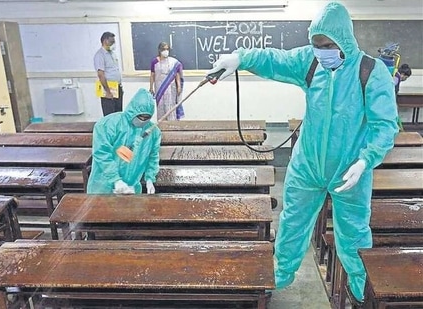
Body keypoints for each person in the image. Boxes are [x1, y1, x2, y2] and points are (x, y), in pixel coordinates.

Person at [208, 2, 398, 305]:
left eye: (327, 45)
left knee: (354, 235)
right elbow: (276, 59)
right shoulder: (312, 63)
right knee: (292, 223)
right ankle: (279, 277)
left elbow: (385, 125)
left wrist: (366, 160)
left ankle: (362, 291)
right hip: (307, 166)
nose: (321, 50)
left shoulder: (370, 72)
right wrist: (240, 58)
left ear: (344, 40)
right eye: (316, 44)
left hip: (349, 170)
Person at [87, 88, 161, 195]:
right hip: (103, 186)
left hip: (131, 186)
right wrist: (115, 180)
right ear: (133, 111)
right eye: (140, 117)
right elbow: (102, 153)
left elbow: (153, 157)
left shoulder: (153, 132)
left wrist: (150, 178)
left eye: (147, 118)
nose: (143, 120)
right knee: (100, 210)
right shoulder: (109, 124)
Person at [149, 42, 184, 120]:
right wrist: (151, 87)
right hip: (159, 87)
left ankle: (172, 123)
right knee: (161, 106)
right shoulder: (154, 62)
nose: (166, 51)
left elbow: (176, 74)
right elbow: (152, 75)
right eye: (164, 49)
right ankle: (162, 125)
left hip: (171, 87)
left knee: (170, 105)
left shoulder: (173, 62)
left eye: (167, 49)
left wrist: (178, 86)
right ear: (159, 50)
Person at [94, 31, 123, 116]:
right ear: (105, 41)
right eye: (111, 42)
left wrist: (120, 86)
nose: (113, 44)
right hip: (108, 89)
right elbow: (101, 74)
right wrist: (108, 91)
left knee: (118, 113)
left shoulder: (112, 54)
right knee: (110, 114)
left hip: (117, 87)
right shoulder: (100, 55)